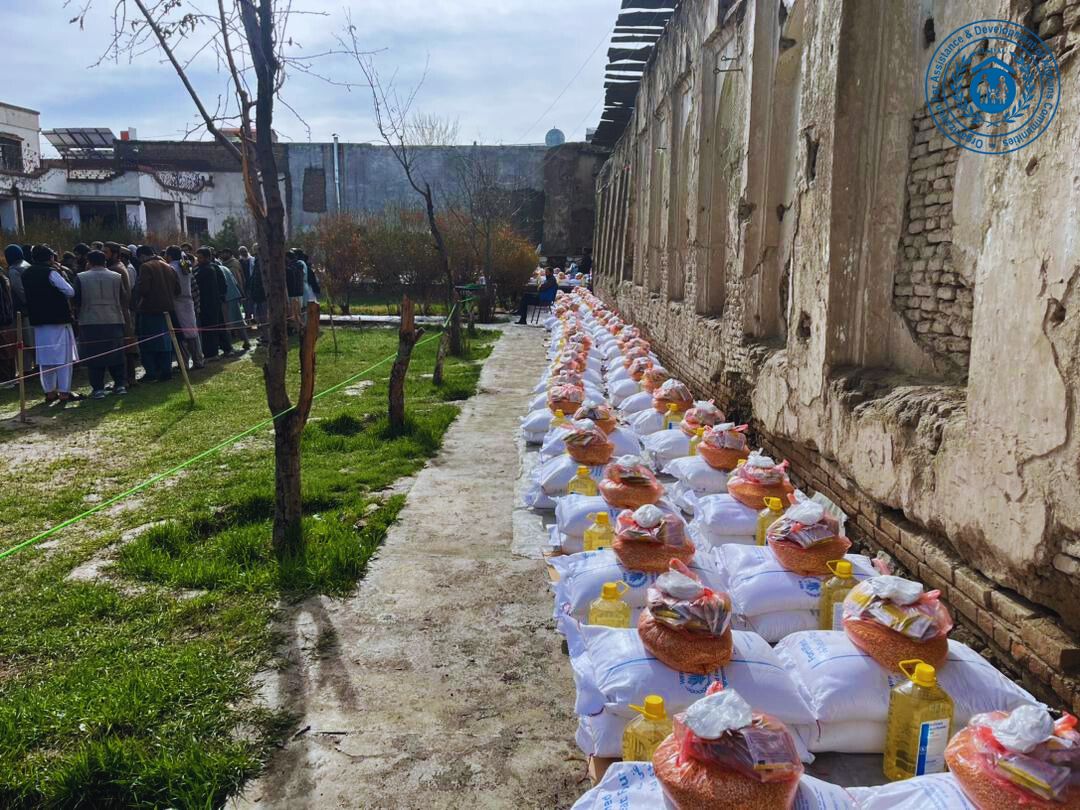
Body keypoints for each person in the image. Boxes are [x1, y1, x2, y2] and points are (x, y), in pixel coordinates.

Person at [23, 245, 78, 402]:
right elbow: (69, 291)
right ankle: (64, 392)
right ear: (51, 258)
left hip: (39, 321)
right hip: (58, 319)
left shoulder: (26, 274)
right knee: (64, 358)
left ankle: (49, 391)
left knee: (45, 359)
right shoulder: (51, 272)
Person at [75, 250, 128, 398]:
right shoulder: (116, 276)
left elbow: (76, 299)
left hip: (90, 320)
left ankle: (98, 389)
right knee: (116, 354)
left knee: (94, 356)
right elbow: (124, 297)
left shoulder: (81, 277)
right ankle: (120, 385)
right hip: (114, 318)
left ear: (89, 262)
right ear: (105, 261)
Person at [131, 245, 180, 382]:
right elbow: (178, 290)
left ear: (142, 256)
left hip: (149, 310)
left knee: (147, 343)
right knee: (165, 342)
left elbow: (144, 289)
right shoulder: (168, 266)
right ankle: (166, 371)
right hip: (167, 310)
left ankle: (151, 373)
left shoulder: (146, 267)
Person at [165, 245, 203, 370]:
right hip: (188, 300)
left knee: (180, 334)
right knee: (193, 332)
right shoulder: (186, 266)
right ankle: (198, 360)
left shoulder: (170, 268)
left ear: (169, 255)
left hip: (177, 302)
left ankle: (184, 363)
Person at [195, 247, 232, 359]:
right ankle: (226, 348)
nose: (198, 260)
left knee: (210, 330)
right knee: (220, 327)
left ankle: (212, 353)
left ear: (207, 257)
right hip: (215, 302)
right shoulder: (213, 268)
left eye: (200, 257)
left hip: (208, 303)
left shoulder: (206, 270)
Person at [5, 244, 32, 376]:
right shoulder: (26, 264)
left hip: (21, 309)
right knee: (29, 339)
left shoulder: (14, 269)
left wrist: (27, 302)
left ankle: (25, 369)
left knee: (23, 340)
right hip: (31, 308)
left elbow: (18, 289)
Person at [218, 252, 249, 350]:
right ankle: (246, 341)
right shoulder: (225, 268)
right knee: (239, 320)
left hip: (226, 298)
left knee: (227, 323)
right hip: (234, 295)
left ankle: (229, 346)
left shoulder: (218, 269)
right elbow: (235, 282)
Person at [0, 260, 14, 385]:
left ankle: (7, 380)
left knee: (4, 351)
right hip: (7, 318)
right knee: (7, 350)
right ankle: (9, 378)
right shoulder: (3, 275)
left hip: (2, 318)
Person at [285, 248, 305, 333]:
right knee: (298, 311)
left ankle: (295, 328)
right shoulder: (299, 265)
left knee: (293, 312)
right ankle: (299, 327)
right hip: (299, 291)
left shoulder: (289, 268)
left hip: (292, 293)